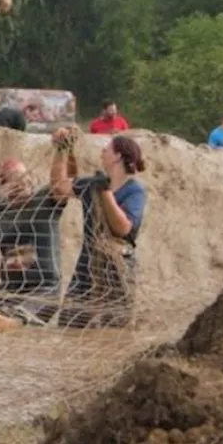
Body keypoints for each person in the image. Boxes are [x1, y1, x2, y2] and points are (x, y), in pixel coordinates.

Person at [49, 128, 147, 329]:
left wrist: (106, 192)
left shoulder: (134, 190)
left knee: (113, 329)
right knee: (69, 324)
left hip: (117, 267)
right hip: (86, 264)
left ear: (117, 156)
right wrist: (61, 150)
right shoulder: (91, 183)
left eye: (106, 149)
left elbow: (123, 228)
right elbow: (59, 188)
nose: (102, 153)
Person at [0, 159, 68, 325]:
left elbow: (60, 186)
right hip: (8, 291)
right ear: (2, 186)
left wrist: (62, 150)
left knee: (7, 322)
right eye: (13, 179)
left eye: (24, 176)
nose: (22, 182)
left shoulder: (44, 201)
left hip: (44, 291)